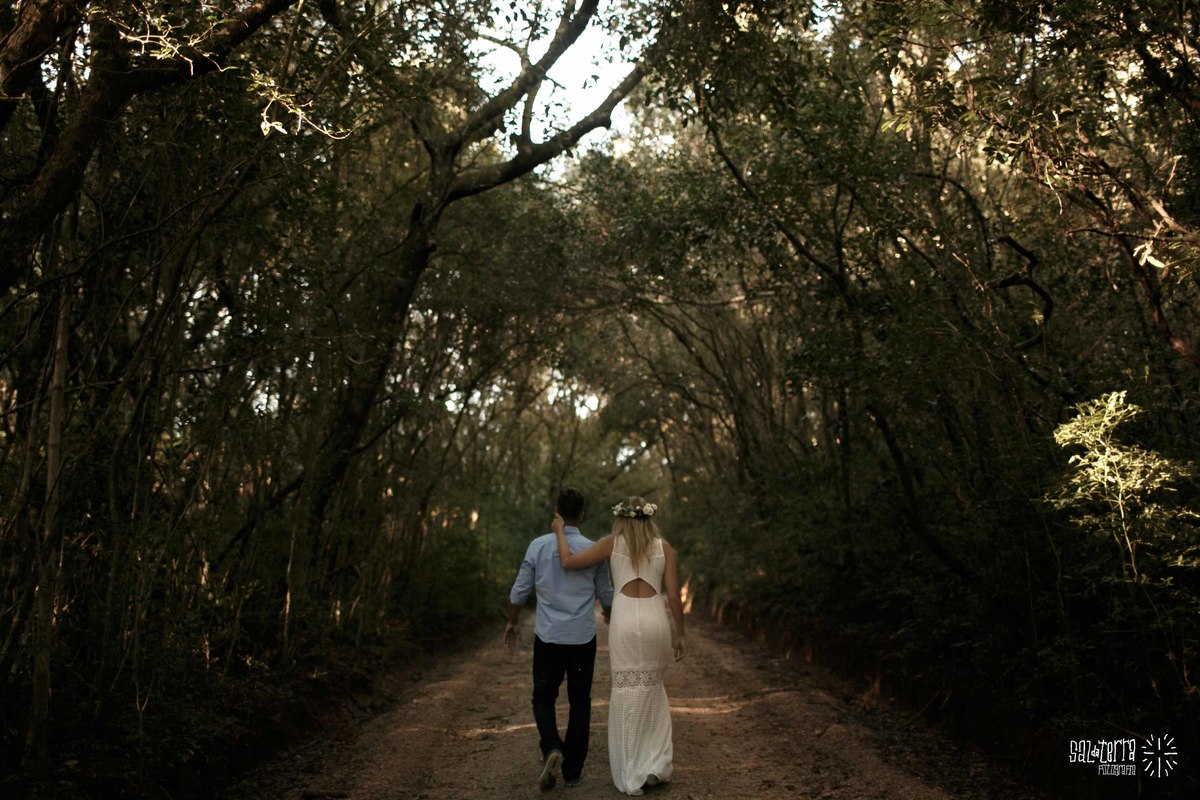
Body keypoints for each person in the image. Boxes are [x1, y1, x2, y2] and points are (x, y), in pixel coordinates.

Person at [551, 496, 686, 797]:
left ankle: (631, 771)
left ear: (621, 518)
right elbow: (675, 598)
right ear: (649, 518)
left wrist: (560, 530)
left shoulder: (611, 543)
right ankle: (655, 764)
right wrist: (681, 635)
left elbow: (568, 562)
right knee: (653, 688)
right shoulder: (665, 549)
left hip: (625, 621)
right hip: (654, 619)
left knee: (626, 690)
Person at [505, 488, 614, 790]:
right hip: (580, 641)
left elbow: (518, 592)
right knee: (580, 701)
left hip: (549, 639)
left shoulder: (537, 547)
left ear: (556, 510)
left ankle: (552, 746)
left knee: (543, 696)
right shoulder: (594, 549)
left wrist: (512, 621)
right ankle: (573, 771)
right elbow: (606, 594)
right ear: (582, 514)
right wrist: (609, 611)